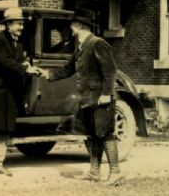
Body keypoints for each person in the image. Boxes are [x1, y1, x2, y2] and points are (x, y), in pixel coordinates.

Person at [39, 10, 123, 185]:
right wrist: (47, 73)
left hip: (101, 99)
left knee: (105, 134)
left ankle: (116, 173)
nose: (70, 28)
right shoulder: (81, 46)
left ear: (78, 26)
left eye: (72, 25)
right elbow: (68, 69)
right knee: (92, 135)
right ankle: (94, 172)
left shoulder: (98, 44)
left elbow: (110, 71)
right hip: (88, 99)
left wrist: (107, 94)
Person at [0, 7, 39, 177]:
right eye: (18, 24)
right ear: (8, 24)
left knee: (5, 129)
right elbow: (4, 62)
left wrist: (27, 65)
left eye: (22, 24)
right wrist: (25, 70)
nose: (21, 28)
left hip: (9, 91)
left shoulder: (19, 42)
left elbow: (19, 61)